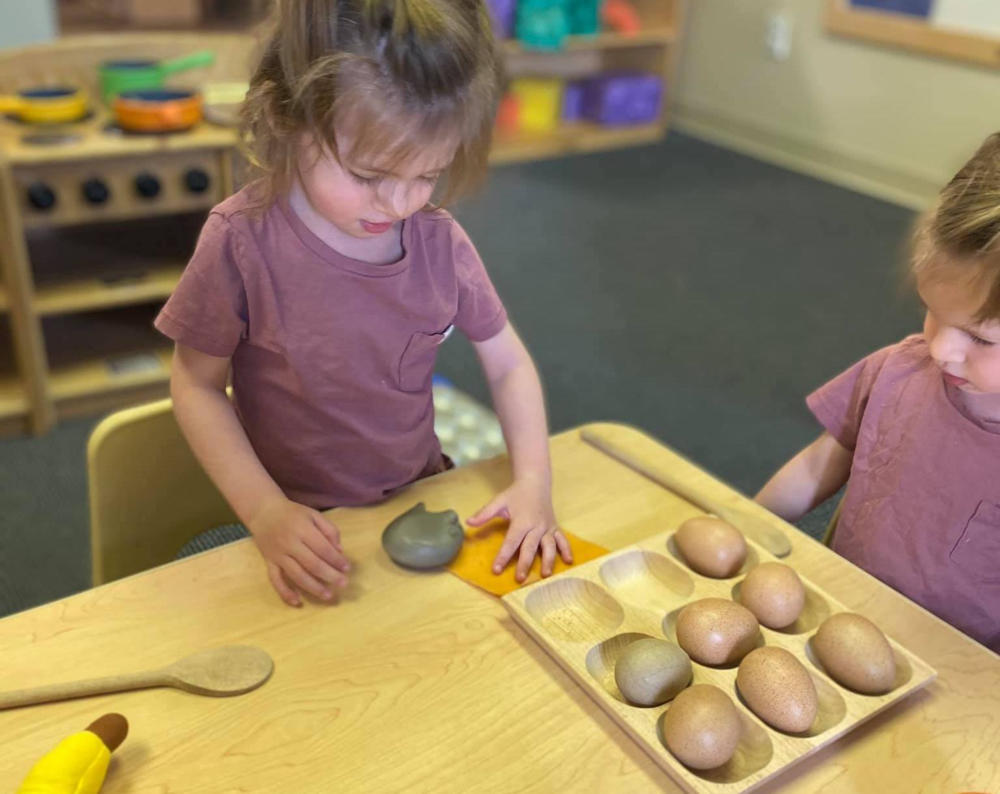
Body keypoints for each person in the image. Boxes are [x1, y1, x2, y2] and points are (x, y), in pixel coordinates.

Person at [155, 0, 572, 607]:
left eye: (428, 174)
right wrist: (267, 513)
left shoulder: (439, 240)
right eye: (371, 175)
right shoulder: (241, 243)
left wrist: (534, 479)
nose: (400, 203)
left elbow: (508, 364)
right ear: (282, 115)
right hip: (302, 522)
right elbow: (195, 388)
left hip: (418, 496)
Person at [755, 133, 1000, 652]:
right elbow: (823, 460)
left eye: (979, 338)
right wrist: (747, 523)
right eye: (932, 310)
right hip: (839, 615)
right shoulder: (899, 371)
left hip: (960, 671)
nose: (940, 350)